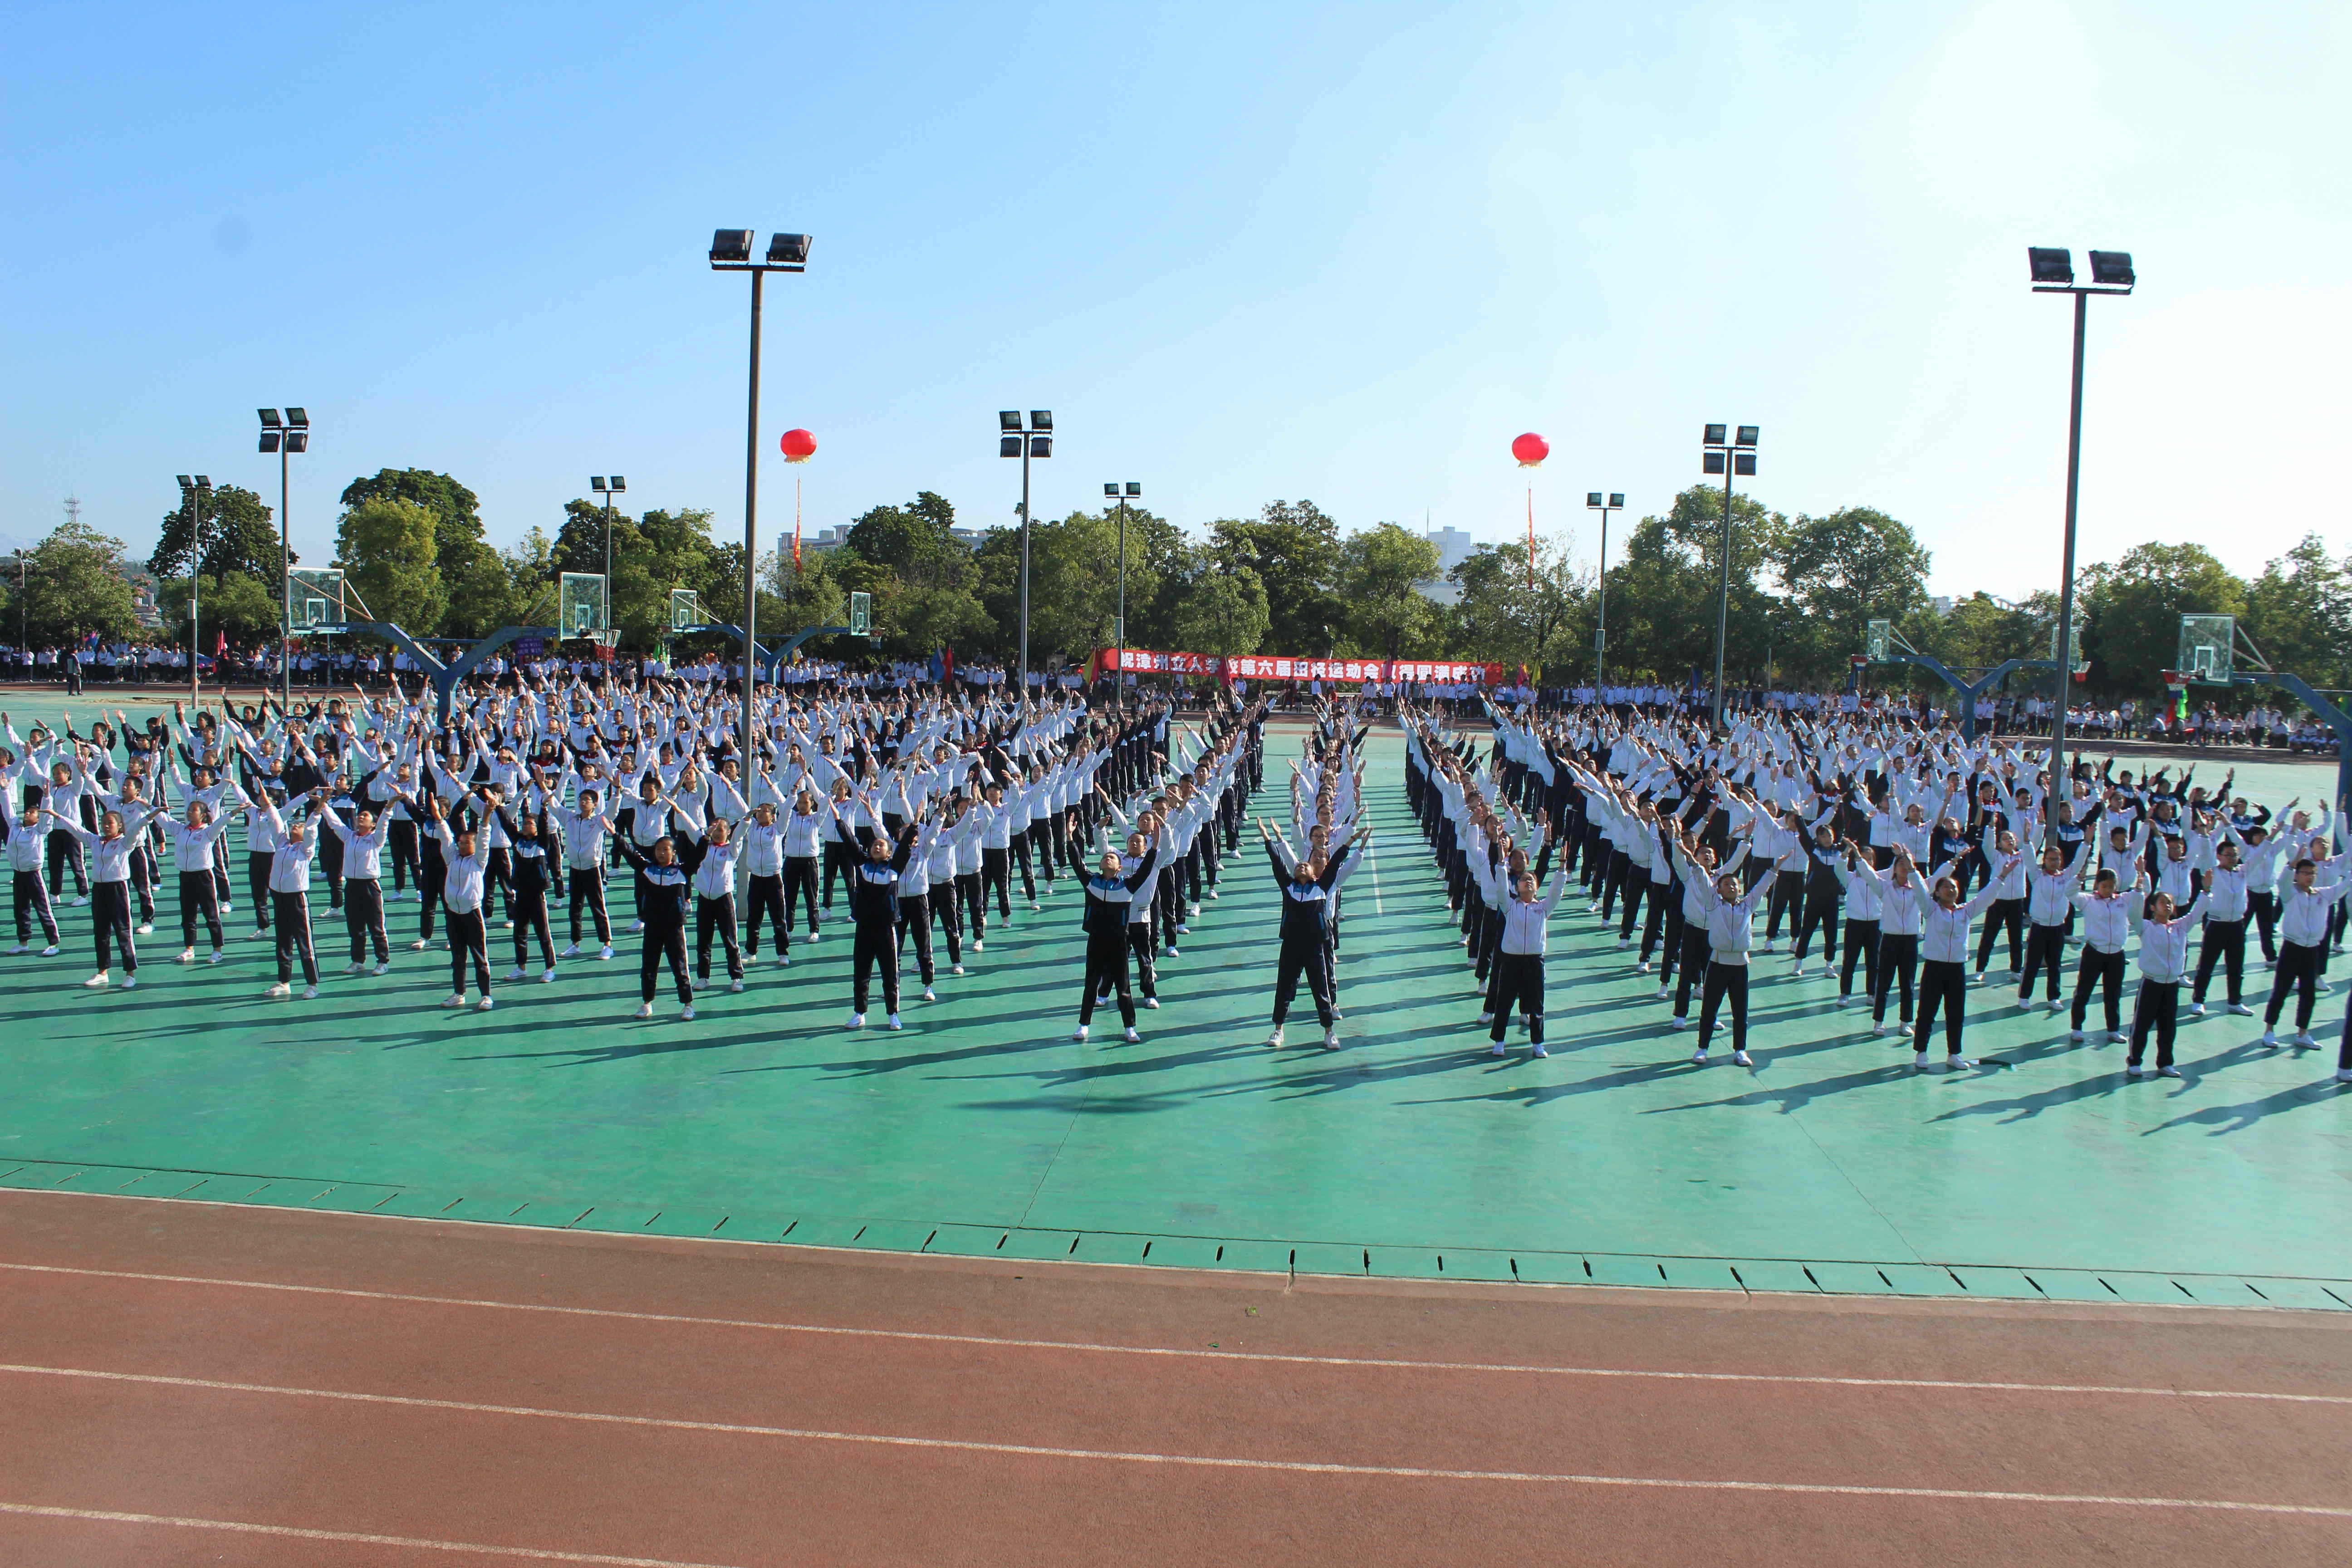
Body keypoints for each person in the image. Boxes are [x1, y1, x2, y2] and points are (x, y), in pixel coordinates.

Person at [1909, 846, 2018, 1070]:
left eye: (1954, 887)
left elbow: (1986, 897)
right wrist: (1911, 869)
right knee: (1927, 1011)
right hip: (1935, 967)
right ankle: (1921, 1052)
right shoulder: (1930, 910)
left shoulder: (1965, 912)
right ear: (1937, 893)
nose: (1951, 890)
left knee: (1956, 1012)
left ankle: (1954, 1053)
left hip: (1957, 968)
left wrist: (2003, 876)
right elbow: (1920, 889)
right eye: (1946, 887)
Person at [1258, 817, 1356, 1050]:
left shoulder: (1321, 887)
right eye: (1299, 865)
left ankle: (1329, 1032)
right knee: (1283, 988)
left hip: (1314, 947)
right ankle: (1278, 1029)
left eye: (1306, 865)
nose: (1302, 866)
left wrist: (1352, 840)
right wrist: (1267, 836)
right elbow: (1277, 862)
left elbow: (1337, 861)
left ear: (1314, 873)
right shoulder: (1289, 887)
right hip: (1291, 945)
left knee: (1320, 990)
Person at [41, 799, 157, 988]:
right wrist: (58, 816)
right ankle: (103, 971)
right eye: (103, 823)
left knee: (123, 930)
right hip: (100, 890)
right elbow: (78, 830)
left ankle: (130, 973)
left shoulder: (125, 843)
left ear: (120, 826)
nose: (105, 826)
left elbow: (137, 828)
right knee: (101, 932)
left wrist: (149, 817)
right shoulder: (96, 841)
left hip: (118, 890)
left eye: (110, 823)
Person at [831, 791, 921, 1030]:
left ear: (889, 853)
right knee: (861, 971)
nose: (877, 846)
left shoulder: (894, 869)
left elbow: (904, 848)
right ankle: (860, 1013)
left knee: (890, 973)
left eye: (881, 845)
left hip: (886, 928)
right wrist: (839, 820)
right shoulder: (862, 867)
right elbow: (851, 842)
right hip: (864, 927)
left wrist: (914, 824)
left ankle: (893, 1014)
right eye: (874, 844)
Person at [1480, 820, 1568, 1058]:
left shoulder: (1543, 908)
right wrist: (1500, 862)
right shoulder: (1509, 906)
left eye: (1531, 880)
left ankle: (1538, 1043)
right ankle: (1499, 1041)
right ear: (1517, 887)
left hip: (1534, 961)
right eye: (1523, 881)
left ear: (1537, 888)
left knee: (1536, 1004)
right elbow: (1500, 884)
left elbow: (1557, 891)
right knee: (1505, 1002)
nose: (1527, 882)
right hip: (1511, 960)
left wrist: (1562, 867)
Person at [1074, 833, 1161, 1044]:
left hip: (1119, 942)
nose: (1108, 858)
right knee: (1091, 984)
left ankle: (1130, 1027)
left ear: (1120, 868)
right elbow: (1077, 863)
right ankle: (1083, 1025)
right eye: (1105, 857)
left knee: (1123, 988)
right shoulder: (1091, 882)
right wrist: (1070, 839)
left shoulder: (1127, 886)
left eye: (1112, 857)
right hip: (1096, 940)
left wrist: (1154, 847)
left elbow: (1146, 869)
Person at [2259, 857, 2348, 1049]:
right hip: (2292, 948)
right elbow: (2283, 880)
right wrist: (2292, 865)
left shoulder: (2323, 895)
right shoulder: (2290, 893)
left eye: (2312, 874)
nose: (2309, 877)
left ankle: (2303, 1033)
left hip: (2311, 951)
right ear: (2297, 875)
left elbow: (2345, 885)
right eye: (2305, 873)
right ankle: (2269, 1030)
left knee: (2309, 994)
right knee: (2281, 991)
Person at [612, 828, 696, 1019]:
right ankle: (647, 1003)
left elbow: (699, 855)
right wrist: (616, 835)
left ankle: (688, 1005)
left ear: (673, 853)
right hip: (652, 926)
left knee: (680, 967)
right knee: (649, 967)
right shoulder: (647, 870)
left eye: (666, 849)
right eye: (659, 849)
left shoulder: (681, 872)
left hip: (674, 927)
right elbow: (630, 853)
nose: (661, 852)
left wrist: (706, 838)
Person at [2127, 889, 2202, 1078]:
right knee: (2142, 1024)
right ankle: (2135, 1061)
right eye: (2162, 902)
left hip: (2172, 985)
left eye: (2170, 902)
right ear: (2153, 907)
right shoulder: (2145, 927)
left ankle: (2166, 1063)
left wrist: (2206, 892)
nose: (2167, 905)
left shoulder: (2180, 927)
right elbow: (2133, 914)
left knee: (2168, 1026)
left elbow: (2198, 912)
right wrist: (2140, 886)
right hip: (2152, 984)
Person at [2068, 869, 2134, 1044]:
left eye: (2112, 886)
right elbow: (2070, 892)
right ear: (2097, 884)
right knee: (2084, 990)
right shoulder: (2088, 901)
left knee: (2113, 994)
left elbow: (2143, 893)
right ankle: (2077, 1027)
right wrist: (2079, 877)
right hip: (2094, 952)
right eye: (2105, 886)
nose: (2108, 890)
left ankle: (2113, 1029)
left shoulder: (2122, 901)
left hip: (2116, 954)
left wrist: (2143, 876)